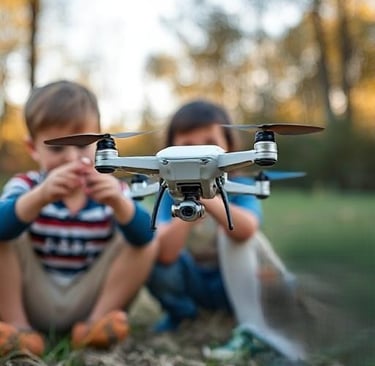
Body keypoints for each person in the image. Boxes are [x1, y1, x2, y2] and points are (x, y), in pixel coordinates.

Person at [0, 80, 157, 357]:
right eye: (57, 148)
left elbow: (146, 237)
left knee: (142, 235)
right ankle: (19, 329)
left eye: (83, 146)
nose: (72, 158)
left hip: (89, 300)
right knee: (7, 231)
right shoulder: (26, 185)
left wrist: (119, 204)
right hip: (32, 298)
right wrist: (40, 197)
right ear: (33, 148)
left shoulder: (112, 190)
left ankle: (93, 327)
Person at [146, 99, 306, 362]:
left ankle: (251, 321)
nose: (197, 154)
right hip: (193, 281)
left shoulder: (239, 186)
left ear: (229, 147)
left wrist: (211, 200)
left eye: (209, 142)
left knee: (232, 234)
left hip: (233, 282)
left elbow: (246, 230)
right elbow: (164, 255)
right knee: (151, 254)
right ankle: (183, 314)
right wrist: (186, 210)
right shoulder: (168, 193)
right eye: (186, 146)